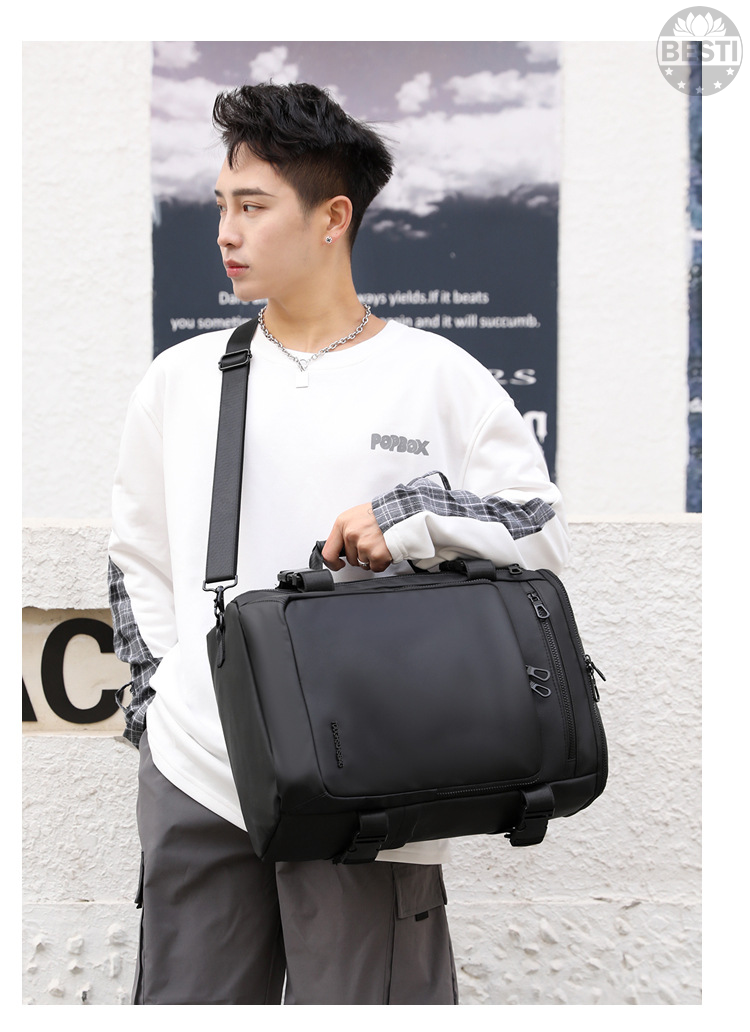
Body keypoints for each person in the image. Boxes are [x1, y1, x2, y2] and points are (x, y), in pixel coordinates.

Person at [108, 81, 569, 1006]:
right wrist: (161, 708)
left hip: (375, 776)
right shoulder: (182, 379)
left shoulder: (440, 377)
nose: (226, 233)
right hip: (199, 769)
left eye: (252, 207)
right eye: (221, 207)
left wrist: (409, 520)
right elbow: (137, 559)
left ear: (332, 218)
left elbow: (539, 542)